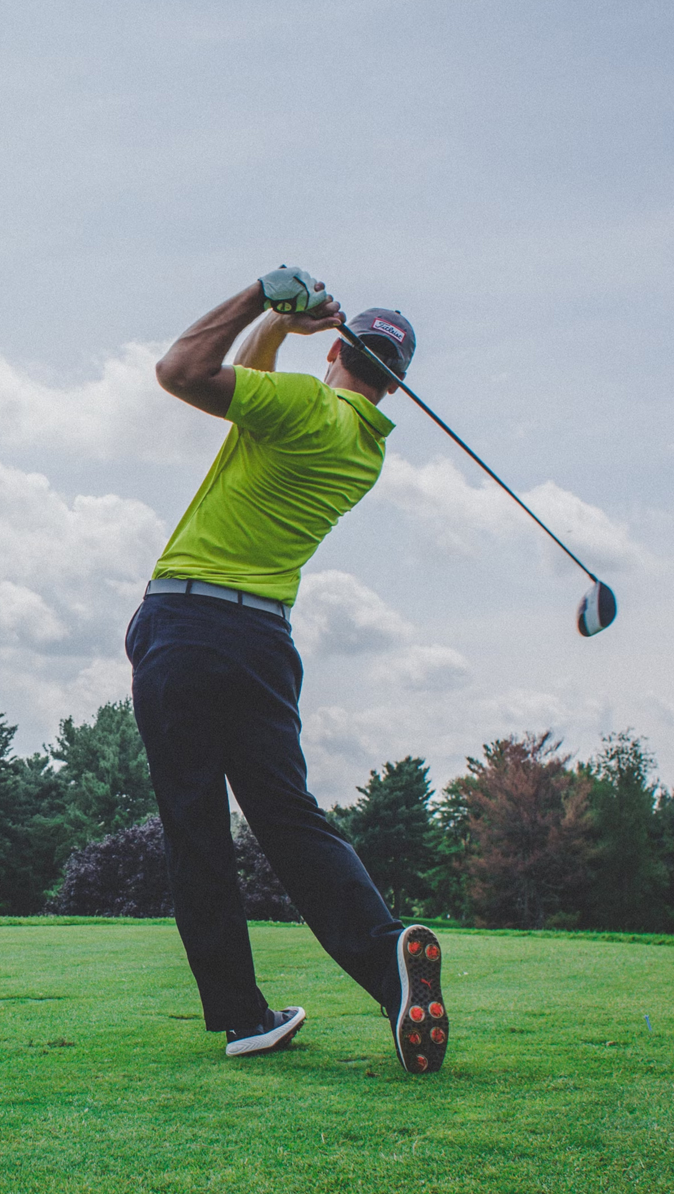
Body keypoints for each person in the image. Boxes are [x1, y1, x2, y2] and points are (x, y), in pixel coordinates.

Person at [128, 266, 449, 1074]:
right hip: (264, 642)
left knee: (196, 827)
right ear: (396, 387)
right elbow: (255, 385)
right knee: (291, 820)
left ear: (337, 349)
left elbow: (182, 372)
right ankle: (388, 967)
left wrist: (255, 296)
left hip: (189, 625)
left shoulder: (305, 407)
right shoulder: (360, 444)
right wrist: (277, 327)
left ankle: (242, 1015)